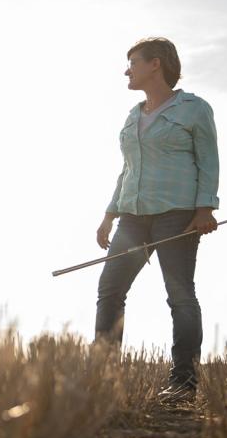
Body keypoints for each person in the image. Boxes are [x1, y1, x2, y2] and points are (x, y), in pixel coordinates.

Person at [94, 37, 219, 404]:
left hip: (176, 215)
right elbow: (127, 170)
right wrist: (108, 215)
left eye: (132, 61)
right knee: (110, 291)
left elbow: (208, 161)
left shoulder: (194, 109)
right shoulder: (134, 114)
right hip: (132, 217)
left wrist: (204, 209)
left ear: (155, 65)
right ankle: (105, 381)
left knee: (180, 295)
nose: (126, 69)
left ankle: (183, 384)